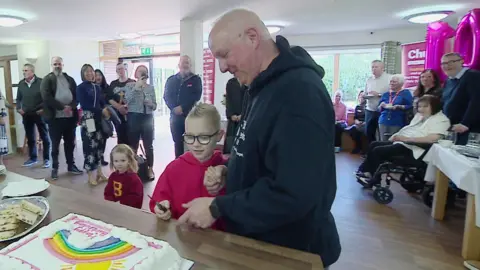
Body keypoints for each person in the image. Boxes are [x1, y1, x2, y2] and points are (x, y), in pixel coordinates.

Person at [177, 9, 340, 269]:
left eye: (224, 54)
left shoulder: (299, 93)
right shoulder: (259, 85)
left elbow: (294, 193)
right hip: (258, 239)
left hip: (290, 250)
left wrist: (218, 208)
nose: (221, 67)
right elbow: (263, 152)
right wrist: (229, 169)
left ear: (252, 37)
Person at [149, 103, 226, 229]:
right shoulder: (173, 169)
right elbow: (158, 200)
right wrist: (162, 209)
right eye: (190, 137)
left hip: (215, 242)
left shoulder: (226, 171)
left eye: (204, 137)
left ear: (219, 136)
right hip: (181, 235)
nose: (195, 144)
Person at [356, 95, 450, 186]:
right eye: (420, 106)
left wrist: (406, 139)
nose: (421, 109)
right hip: (405, 143)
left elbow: (432, 139)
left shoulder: (441, 120)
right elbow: (409, 129)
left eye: (425, 106)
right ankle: (365, 171)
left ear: (435, 106)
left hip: (416, 149)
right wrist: (397, 135)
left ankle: (374, 179)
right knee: (374, 144)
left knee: (378, 151)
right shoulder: (421, 116)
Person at [40, 56, 82, 180]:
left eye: (59, 64)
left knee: (70, 143)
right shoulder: (47, 79)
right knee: (55, 145)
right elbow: (46, 97)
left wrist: (72, 106)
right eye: (55, 64)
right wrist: (62, 107)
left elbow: (76, 96)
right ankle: (55, 168)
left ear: (63, 65)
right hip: (55, 119)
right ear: (51, 65)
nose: (57, 66)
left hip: (70, 118)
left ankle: (71, 165)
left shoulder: (69, 79)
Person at [118, 65, 157, 180]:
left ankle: (150, 168)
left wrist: (150, 104)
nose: (143, 73)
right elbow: (126, 101)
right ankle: (133, 169)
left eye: (145, 72)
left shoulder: (151, 88)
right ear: (135, 74)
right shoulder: (129, 85)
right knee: (133, 145)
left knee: (148, 145)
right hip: (134, 117)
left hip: (147, 118)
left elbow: (155, 105)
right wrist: (136, 88)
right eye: (140, 71)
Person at [164, 56, 202, 158]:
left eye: (187, 63)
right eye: (183, 62)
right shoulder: (171, 80)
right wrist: (174, 108)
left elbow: (196, 96)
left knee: (192, 142)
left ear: (190, 65)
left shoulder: (196, 80)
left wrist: (183, 108)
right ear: (178, 65)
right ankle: (179, 163)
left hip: (190, 116)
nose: (185, 65)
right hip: (175, 118)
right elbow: (166, 96)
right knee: (177, 143)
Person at [77, 64, 108, 186]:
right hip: (89, 119)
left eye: (91, 71)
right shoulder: (80, 88)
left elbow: (101, 102)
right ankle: (90, 174)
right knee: (90, 145)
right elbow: (85, 105)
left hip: (98, 119)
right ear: (83, 74)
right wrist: (101, 110)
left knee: (100, 145)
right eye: (87, 72)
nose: (90, 73)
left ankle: (100, 172)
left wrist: (107, 109)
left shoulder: (97, 87)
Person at [441, 52, 480, 145]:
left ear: (461, 61)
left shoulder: (473, 76)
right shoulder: (448, 80)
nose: (447, 66)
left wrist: (466, 123)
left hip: (470, 129)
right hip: (452, 129)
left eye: (451, 62)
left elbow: (476, 101)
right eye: (443, 63)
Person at [16, 63, 51, 168]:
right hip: (26, 114)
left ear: (32, 72)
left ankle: (46, 159)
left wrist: (43, 109)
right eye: (23, 71)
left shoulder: (41, 82)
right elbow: (18, 98)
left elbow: (47, 98)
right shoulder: (21, 84)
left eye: (26, 70)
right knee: (30, 137)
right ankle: (33, 158)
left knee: (44, 137)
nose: (24, 72)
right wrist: (18, 108)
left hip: (39, 113)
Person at [104, 144, 144, 209]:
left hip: (129, 209)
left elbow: (136, 197)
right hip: (114, 208)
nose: (119, 164)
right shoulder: (113, 176)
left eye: (123, 160)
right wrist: (110, 202)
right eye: (116, 161)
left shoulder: (134, 179)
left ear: (129, 160)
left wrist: (121, 203)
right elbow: (108, 191)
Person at [106, 63, 135, 145]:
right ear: (116, 71)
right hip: (118, 116)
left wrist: (127, 107)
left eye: (122, 68)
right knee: (121, 137)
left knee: (131, 138)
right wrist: (119, 107)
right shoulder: (113, 84)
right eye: (118, 69)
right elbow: (109, 98)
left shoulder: (132, 82)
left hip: (131, 115)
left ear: (125, 69)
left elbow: (136, 98)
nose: (120, 71)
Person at [377, 74, 413, 141]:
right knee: (383, 142)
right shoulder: (385, 94)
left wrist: (400, 106)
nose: (391, 83)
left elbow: (410, 106)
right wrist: (381, 105)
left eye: (394, 82)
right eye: (391, 81)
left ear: (401, 83)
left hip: (397, 121)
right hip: (383, 121)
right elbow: (378, 109)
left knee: (394, 141)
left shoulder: (405, 93)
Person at [364, 60, 391, 143]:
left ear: (382, 68)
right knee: (368, 132)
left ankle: (381, 152)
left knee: (382, 133)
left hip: (383, 110)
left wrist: (379, 94)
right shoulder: (369, 80)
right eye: (372, 67)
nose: (374, 69)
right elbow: (365, 92)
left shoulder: (389, 78)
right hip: (370, 109)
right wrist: (364, 96)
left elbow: (393, 94)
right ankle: (370, 152)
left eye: (376, 67)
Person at [223, 77, 246, 154]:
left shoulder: (249, 82)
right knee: (231, 143)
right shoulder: (231, 83)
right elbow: (228, 100)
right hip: (233, 119)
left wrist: (243, 114)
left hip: (246, 118)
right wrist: (231, 114)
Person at [94, 69, 110, 166]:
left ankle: (101, 156)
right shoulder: (91, 88)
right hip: (94, 117)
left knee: (104, 137)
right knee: (95, 138)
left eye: (99, 75)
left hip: (104, 116)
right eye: (96, 75)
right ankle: (95, 158)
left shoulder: (107, 88)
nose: (98, 77)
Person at [0, 90, 14, 165]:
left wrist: (14, 107)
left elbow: (5, 102)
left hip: (1, 120)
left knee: (1, 142)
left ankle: (1, 163)